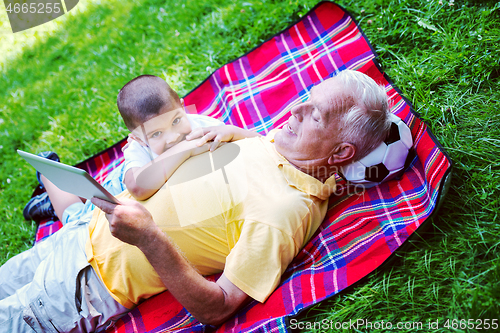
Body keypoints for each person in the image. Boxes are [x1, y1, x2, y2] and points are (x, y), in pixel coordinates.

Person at [0, 70, 392, 332]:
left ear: (340, 154)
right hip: (82, 231)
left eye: (315, 116)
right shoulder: (276, 142)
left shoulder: (285, 211)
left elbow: (218, 307)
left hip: (86, 285)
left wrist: (149, 238)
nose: (293, 109)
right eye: (305, 98)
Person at [22, 75, 259, 224]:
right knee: (76, 219)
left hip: (151, 185)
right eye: (156, 134)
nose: (173, 136)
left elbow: (258, 140)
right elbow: (137, 188)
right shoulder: (138, 149)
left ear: (183, 106)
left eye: (176, 121)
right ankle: (49, 176)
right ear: (138, 138)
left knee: (87, 188)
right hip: (122, 187)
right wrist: (186, 149)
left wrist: (232, 132)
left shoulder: (202, 127)